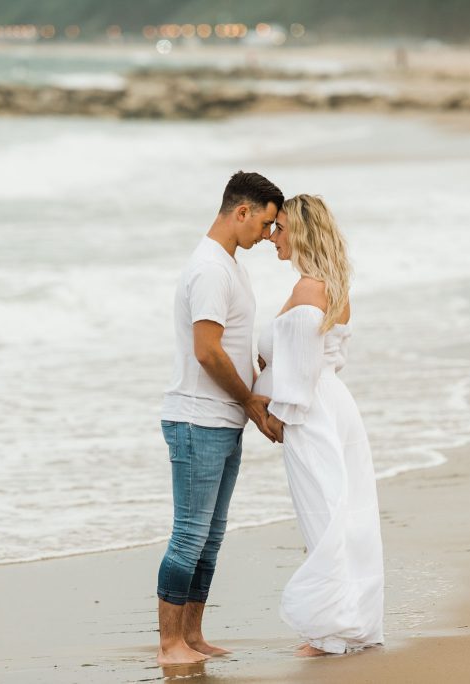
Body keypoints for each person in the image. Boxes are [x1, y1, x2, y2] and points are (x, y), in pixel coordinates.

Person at [156, 171, 284, 665]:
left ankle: (192, 636)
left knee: (211, 535)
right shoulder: (209, 269)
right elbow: (207, 352)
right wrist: (252, 404)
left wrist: (264, 392)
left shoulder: (231, 266)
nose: (268, 236)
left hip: (222, 419)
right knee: (189, 533)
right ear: (242, 211)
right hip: (196, 420)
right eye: (265, 224)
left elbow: (235, 346)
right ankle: (169, 644)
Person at [254, 194, 385, 656]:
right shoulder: (335, 286)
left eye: (281, 228)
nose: (273, 237)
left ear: (302, 233)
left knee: (323, 513)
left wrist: (274, 416)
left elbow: (303, 371)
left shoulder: (310, 290)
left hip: (310, 411)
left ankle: (330, 632)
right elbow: (332, 359)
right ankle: (351, 623)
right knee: (343, 511)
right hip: (333, 404)